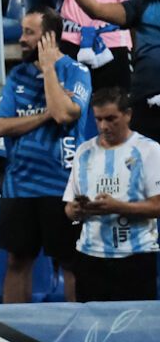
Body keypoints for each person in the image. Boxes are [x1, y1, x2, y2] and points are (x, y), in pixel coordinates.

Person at [0, 13, 96, 302]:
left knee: (70, 262)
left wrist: (50, 69)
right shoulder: (17, 76)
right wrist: (45, 115)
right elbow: (1, 125)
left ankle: (76, 334)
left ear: (50, 37)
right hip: (19, 185)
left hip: (62, 185)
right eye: (22, 31)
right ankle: (14, 335)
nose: (21, 39)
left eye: (29, 32)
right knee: (17, 261)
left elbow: (65, 113)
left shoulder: (77, 71)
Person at [63, 90, 160, 302]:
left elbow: (157, 206)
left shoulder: (150, 151)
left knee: (135, 331)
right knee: (92, 332)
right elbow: (69, 208)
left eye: (111, 119)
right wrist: (76, 210)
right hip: (90, 257)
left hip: (135, 257)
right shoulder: (83, 151)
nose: (104, 126)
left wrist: (118, 207)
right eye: (98, 119)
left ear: (128, 115)